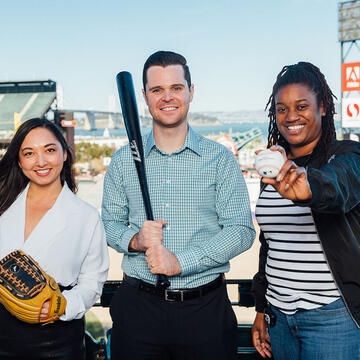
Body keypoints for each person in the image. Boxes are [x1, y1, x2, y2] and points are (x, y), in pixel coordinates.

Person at [102, 50, 255, 359]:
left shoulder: (219, 159)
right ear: (144, 96)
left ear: (191, 91)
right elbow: (108, 223)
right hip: (138, 307)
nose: (167, 97)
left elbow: (241, 230)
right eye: (157, 90)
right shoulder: (122, 161)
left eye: (176, 88)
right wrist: (134, 240)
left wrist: (182, 262)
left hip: (204, 310)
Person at [251, 62, 360, 360]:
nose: (291, 117)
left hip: (333, 318)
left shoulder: (347, 156)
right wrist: (261, 308)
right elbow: (269, 245)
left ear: (323, 107)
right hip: (279, 318)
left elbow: (337, 188)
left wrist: (307, 188)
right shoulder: (274, 168)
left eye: (301, 106)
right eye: (281, 109)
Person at [0, 118, 109, 359]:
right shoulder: (3, 204)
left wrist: (59, 307)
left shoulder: (87, 217)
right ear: (19, 160)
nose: (40, 162)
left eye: (49, 150)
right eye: (29, 153)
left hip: (55, 339)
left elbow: (92, 282)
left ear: (65, 154)